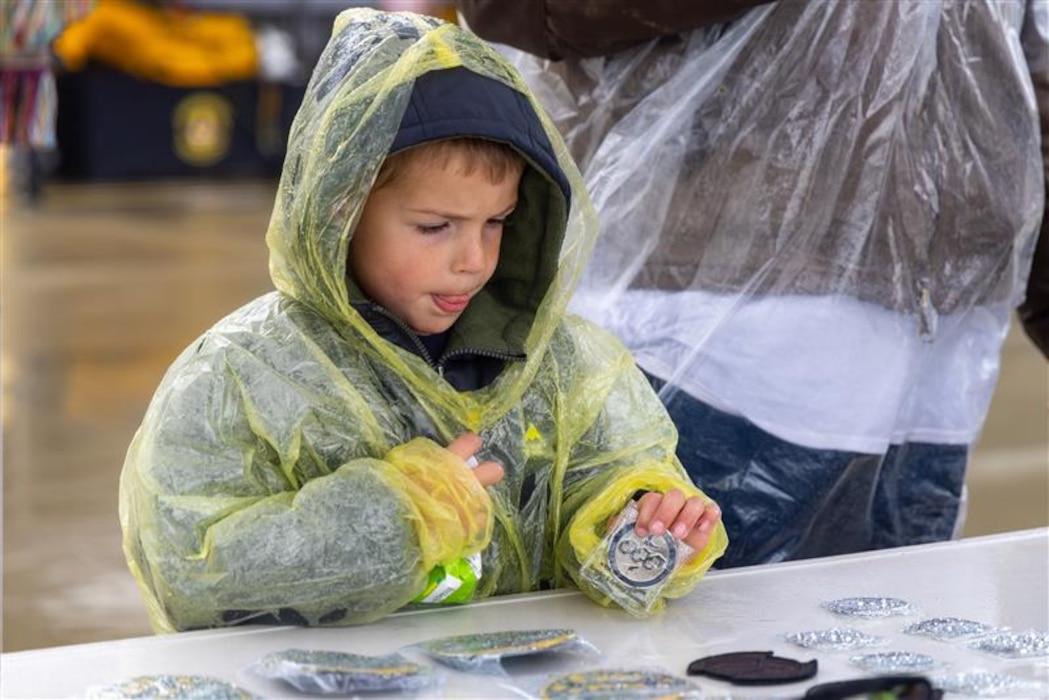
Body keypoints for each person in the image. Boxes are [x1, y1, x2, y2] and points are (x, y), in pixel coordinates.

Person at [118, 7, 726, 633]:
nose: (474, 260)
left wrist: (640, 523)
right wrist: (393, 517)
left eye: (499, 222)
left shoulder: (566, 361)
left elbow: (606, 471)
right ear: (338, 212)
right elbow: (189, 571)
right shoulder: (238, 376)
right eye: (435, 227)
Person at [459, 0, 1049, 568]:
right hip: (709, 329)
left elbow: (1027, 76)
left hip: (941, 351)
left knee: (899, 643)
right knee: (674, 639)